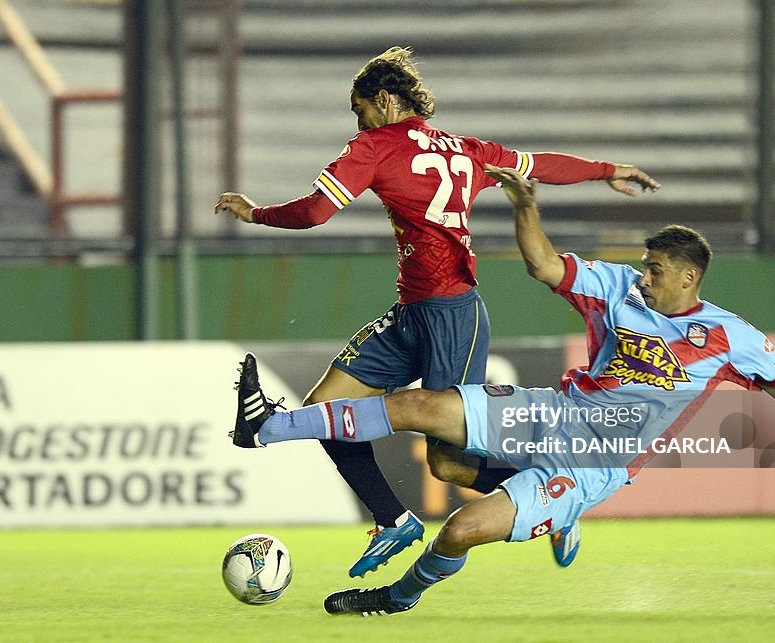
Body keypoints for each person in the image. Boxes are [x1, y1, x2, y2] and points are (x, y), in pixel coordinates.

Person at [229, 164, 775, 616]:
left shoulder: (733, 337)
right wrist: (524, 206)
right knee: (419, 408)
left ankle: (398, 597)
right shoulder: (617, 287)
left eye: (655, 269)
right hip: (553, 414)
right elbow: (542, 263)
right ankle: (265, 428)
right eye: (644, 266)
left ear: (688, 277)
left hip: (596, 464)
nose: (642, 276)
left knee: (457, 532)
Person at [216, 46, 660, 577]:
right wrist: (606, 169)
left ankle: (556, 499)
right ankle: (392, 520)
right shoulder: (466, 149)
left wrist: (254, 212)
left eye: (358, 109)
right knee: (327, 411)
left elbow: (315, 211)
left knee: (448, 461)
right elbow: (539, 165)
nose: (355, 121)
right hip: (412, 313)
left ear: (382, 100)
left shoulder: (374, 145)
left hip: (453, 314)